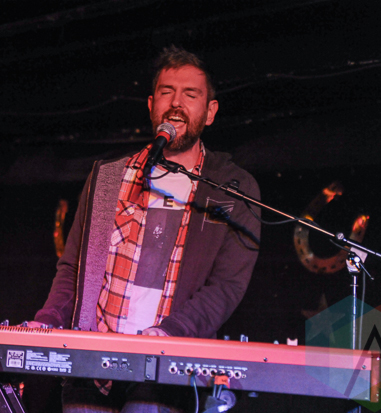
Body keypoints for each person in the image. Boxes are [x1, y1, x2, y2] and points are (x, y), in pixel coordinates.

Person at [27, 46, 261, 412]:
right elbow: (74, 268)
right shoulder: (108, 176)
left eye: (190, 94)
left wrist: (170, 332)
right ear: (152, 105)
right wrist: (48, 320)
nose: (176, 103)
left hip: (167, 370)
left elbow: (227, 285)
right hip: (90, 368)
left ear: (210, 112)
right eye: (167, 92)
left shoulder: (231, 187)